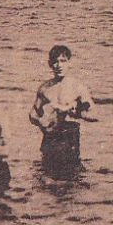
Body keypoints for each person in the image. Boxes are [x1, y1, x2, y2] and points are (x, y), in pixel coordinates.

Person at [29, 45, 93, 179]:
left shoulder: (77, 87)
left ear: (69, 63)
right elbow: (33, 113)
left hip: (69, 140)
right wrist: (40, 121)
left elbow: (93, 114)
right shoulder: (45, 88)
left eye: (63, 61)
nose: (59, 65)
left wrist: (74, 110)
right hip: (49, 139)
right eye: (55, 61)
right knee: (45, 180)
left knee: (70, 181)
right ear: (49, 64)